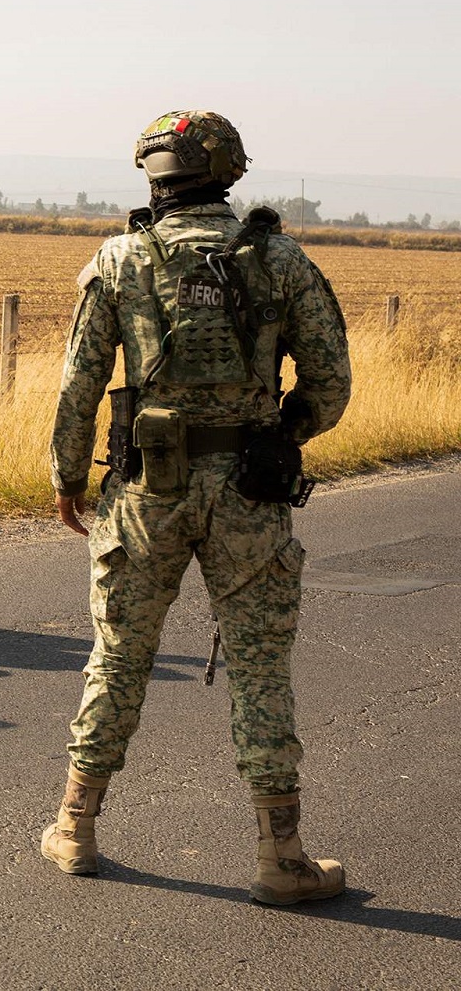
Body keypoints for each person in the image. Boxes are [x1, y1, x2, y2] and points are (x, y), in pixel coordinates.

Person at [41, 111, 353, 906]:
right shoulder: (279, 258)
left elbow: (79, 385)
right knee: (261, 667)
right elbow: (330, 383)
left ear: (155, 176)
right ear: (227, 171)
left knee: (118, 656)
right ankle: (281, 856)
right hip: (250, 493)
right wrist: (280, 435)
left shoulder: (118, 260)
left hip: (146, 491)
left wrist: (68, 476)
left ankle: (75, 828)